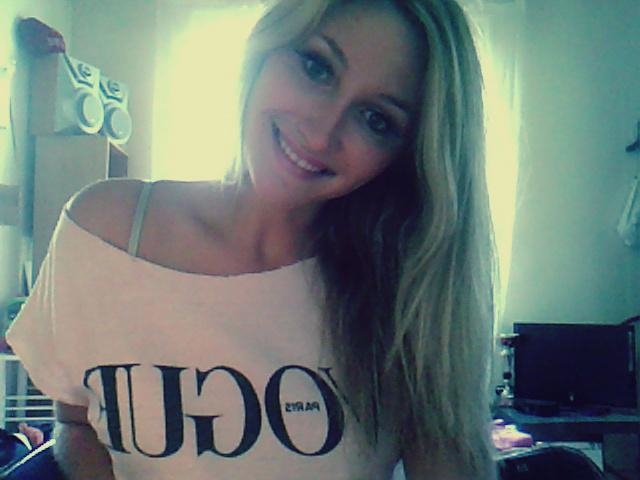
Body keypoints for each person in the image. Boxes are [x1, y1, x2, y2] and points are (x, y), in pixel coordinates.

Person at [7, 0, 497, 478]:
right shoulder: (104, 231)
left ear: (406, 157)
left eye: (376, 119)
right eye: (317, 67)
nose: (321, 134)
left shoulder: (410, 296)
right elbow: (76, 422)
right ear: (266, 48)